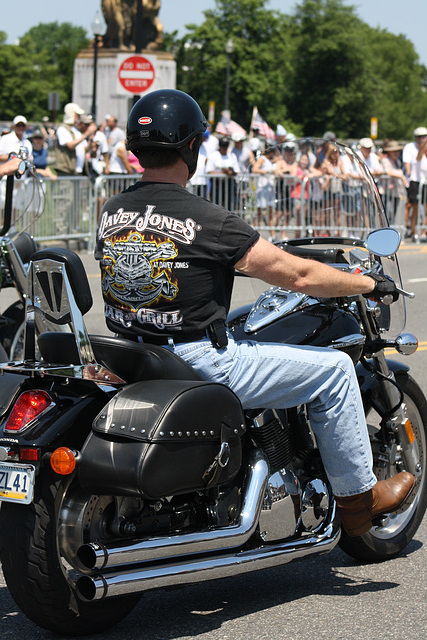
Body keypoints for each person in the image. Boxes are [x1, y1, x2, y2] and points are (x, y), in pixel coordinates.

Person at [95, 89, 415, 538]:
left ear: (135, 147)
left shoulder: (112, 211)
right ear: (193, 146)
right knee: (338, 372)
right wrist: (367, 281)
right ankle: (360, 501)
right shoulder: (209, 218)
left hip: (134, 355)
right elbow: (297, 275)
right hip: (199, 361)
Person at [55, 103, 96, 176]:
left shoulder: (76, 130)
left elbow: (85, 149)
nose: (79, 117)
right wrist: (86, 133)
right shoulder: (62, 129)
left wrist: (91, 139)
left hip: (78, 171)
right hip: (66, 170)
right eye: (78, 115)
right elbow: (70, 145)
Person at [402, 127, 427, 239]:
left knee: (426, 208)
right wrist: (421, 149)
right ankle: (413, 231)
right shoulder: (410, 147)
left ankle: (423, 231)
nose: (421, 139)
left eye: (423, 137)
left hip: (425, 180)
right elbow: (416, 159)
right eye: (419, 137)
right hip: (415, 181)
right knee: (415, 207)